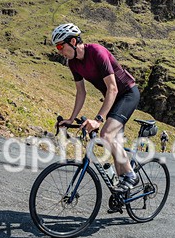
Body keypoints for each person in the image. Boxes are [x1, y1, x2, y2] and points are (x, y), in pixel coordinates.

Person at [52, 23, 140, 192]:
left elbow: (112, 88)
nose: (59, 51)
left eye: (60, 46)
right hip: (113, 99)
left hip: (127, 94)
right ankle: (123, 196)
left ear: (72, 41)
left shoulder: (96, 52)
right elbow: (81, 92)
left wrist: (99, 119)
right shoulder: (73, 64)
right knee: (115, 148)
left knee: (105, 134)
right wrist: (71, 118)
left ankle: (131, 175)